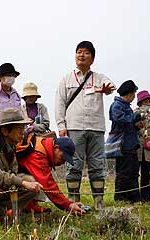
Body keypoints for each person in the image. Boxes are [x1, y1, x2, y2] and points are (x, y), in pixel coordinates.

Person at [55, 41, 116, 210]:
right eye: (79, 52)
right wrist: (61, 126)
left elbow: (111, 86)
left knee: (97, 165)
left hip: (96, 127)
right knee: (74, 164)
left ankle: (99, 203)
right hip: (74, 127)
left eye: (86, 53)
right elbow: (59, 103)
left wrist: (106, 89)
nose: (81, 55)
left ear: (93, 58)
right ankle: (73, 203)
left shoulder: (99, 77)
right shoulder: (67, 79)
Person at [17, 135, 86, 215]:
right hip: (6, 178)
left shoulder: (43, 144)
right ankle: (10, 208)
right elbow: (48, 184)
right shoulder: (38, 154)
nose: (63, 162)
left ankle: (30, 205)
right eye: (62, 157)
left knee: (36, 179)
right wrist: (68, 205)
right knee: (34, 181)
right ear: (56, 147)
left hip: (14, 173)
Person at [109, 80, 143, 203]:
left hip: (131, 144)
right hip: (123, 145)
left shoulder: (127, 106)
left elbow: (129, 123)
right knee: (124, 172)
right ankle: (121, 197)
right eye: (134, 93)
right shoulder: (117, 106)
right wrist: (135, 117)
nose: (134, 97)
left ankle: (134, 197)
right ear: (129, 94)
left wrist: (137, 124)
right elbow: (119, 120)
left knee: (134, 172)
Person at [134, 90, 150, 202]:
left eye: (149, 102)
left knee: (146, 174)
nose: (148, 104)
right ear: (140, 102)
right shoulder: (134, 113)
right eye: (145, 101)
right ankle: (135, 196)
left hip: (148, 150)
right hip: (137, 149)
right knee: (134, 174)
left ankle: (146, 197)